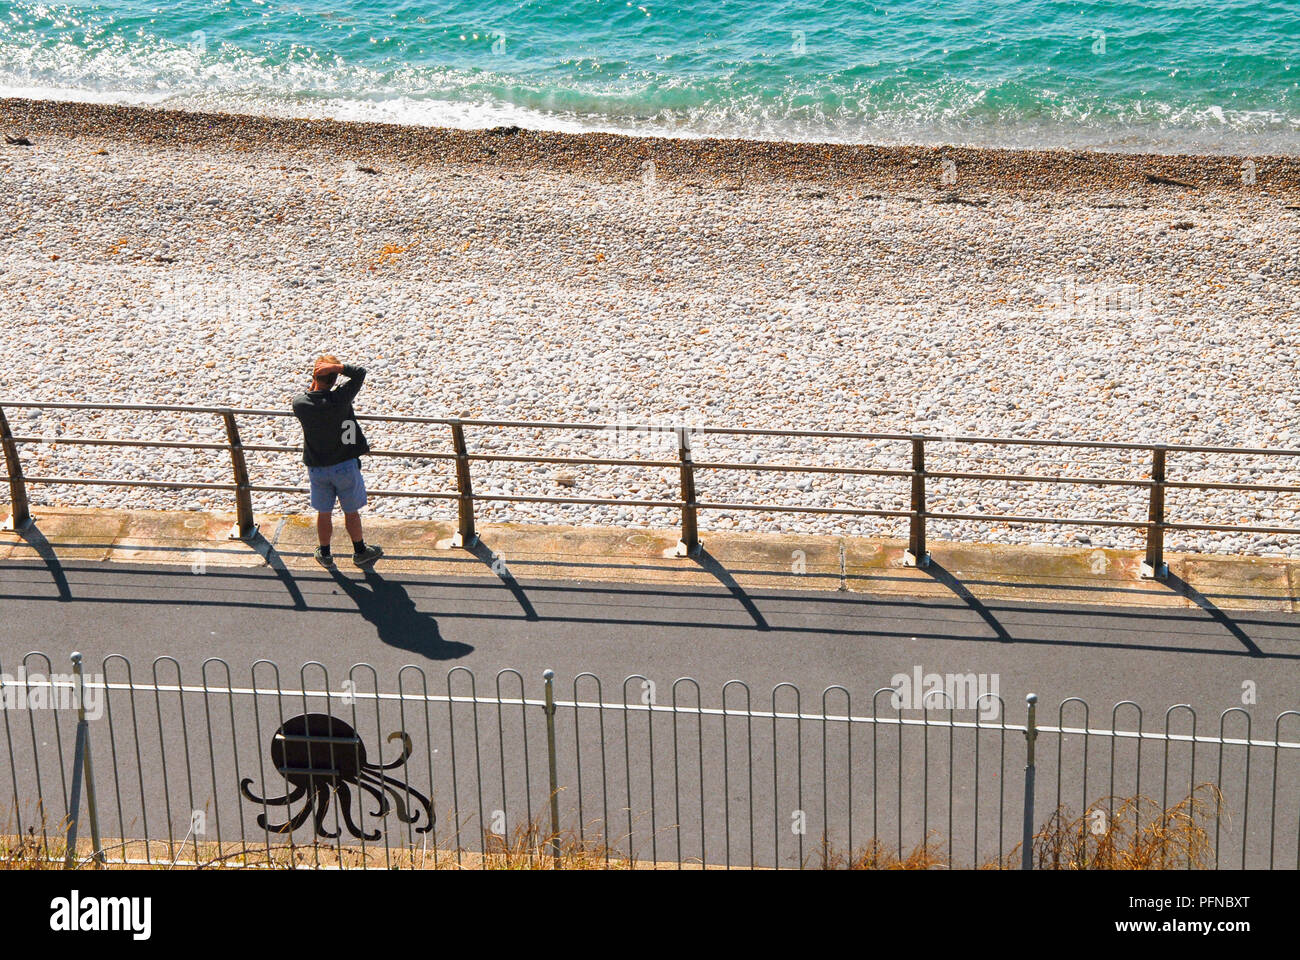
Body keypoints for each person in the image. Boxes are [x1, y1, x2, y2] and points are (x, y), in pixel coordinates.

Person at [291, 355, 383, 568]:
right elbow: (360, 373)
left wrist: (318, 379)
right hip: (344, 465)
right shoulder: (340, 399)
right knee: (351, 511)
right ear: (334, 380)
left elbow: (312, 394)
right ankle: (360, 551)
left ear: (314, 376)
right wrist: (339, 367)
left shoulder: (300, 404)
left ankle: (325, 553)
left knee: (324, 512)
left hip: (317, 468)